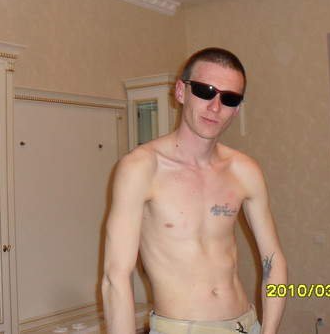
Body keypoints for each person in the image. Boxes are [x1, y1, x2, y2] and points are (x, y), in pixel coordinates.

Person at [102, 47, 287, 334]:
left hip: (246, 325)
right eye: (205, 91)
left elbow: (273, 261)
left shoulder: (244, 171)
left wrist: (269, 330)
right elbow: (115, 277)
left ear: (237, 108)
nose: (215, 106)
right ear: (181, 92)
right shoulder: (142, 168)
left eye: (229, 98)